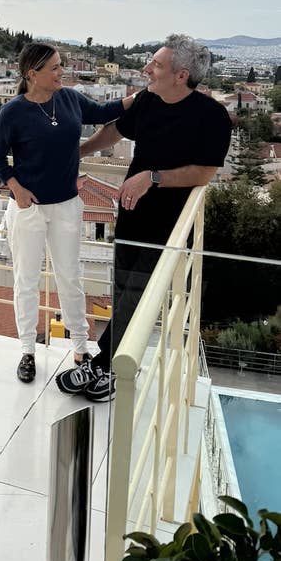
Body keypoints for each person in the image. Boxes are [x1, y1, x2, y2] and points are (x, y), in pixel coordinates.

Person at [56, 34, 232, 402]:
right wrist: (76, 152)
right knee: (121, 290)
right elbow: (116, 131)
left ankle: (104, 368)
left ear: (181, 75)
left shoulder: (212, 116)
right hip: (133, 213)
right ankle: (112, 367)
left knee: (134, 296)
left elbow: (203, 173)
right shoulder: (149, 101)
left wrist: (153, 177)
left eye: (157, 65)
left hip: (169, 223)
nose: (146, 68)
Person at [0, 42, 133, 384]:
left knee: (71, 278)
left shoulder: (69, 98)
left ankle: (81, 349)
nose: (61, 72)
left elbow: (103, 111)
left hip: (67, 206)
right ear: (32, 74)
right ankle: (27, 351)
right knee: (25, 280)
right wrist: (15, 187)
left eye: (60, 65)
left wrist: (139, 99)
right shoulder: (13, 112)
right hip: (29, 209)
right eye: (54, 68)